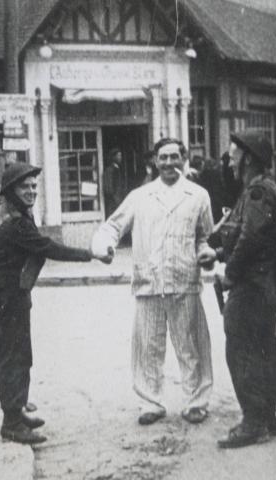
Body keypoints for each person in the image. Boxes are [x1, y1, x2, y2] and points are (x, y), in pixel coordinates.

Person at [0, 162, 111, 445]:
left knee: (21, 354)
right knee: (12, 358)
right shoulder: (14, 221)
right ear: (10, 190)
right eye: (24, 187)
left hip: (9, 292)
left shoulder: (6, 213)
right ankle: (12, 423)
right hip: (8, 296)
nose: (31, 192)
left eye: (33, 187)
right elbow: (48, 248)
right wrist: (90, 254)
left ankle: (18, 409)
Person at [92, 138, 217, 426]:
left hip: (184, 280)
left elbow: (204, 236)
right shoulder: (140, 196)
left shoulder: (198, 195)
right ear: (155, 162)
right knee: (148, 347)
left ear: (184, 159)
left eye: (175, 157)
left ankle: (196, 402)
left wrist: (206, 253)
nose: (170, 163)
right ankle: (151, 402)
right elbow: (113, 225)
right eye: (164, 158)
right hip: (148, 281)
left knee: (191, 346)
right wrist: (104, 245)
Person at [212, 131, 276, 449]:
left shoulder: (258, 192)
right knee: (262, 345)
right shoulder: (260, 189)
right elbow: (248, 236)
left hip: (253, 285)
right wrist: (218, 253)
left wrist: (229, 275)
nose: (229, 161)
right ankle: (267, 418)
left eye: (233, 155)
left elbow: (250, 240)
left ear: (247, 158)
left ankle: (253, 422)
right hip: (263, 283)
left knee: (242, 348)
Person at [103, 148, 128, 217]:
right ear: (113, 157)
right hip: (113, 202)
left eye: (121, 156)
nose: (120, 158)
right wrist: (115, 199)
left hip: (119, 200)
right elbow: (108, 188)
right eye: (118, 156)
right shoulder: (110, 170)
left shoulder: (118, 169)